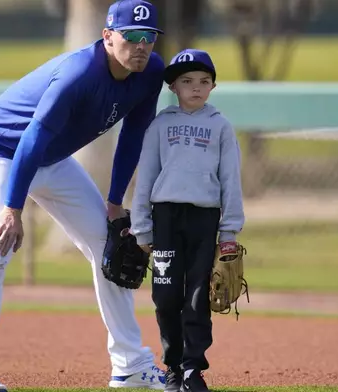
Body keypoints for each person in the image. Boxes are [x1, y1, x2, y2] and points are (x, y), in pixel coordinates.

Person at [0, 1, 168, 391]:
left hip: (51, 157)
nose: (141, 45)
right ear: (107, 36)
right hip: (0, 150)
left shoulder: (151, 71)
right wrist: (12, 208)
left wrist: (115, 203)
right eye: (131, 36)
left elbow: (134, 135)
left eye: (148, 37)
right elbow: (31, 138)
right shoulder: (79, 73)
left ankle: (131, 365)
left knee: (112, 246)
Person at [130, 49, 245, 392]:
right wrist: (141, 226)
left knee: (197, 296)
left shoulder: (220, 126)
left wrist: (230, 230)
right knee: (165, 297)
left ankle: (193, 368)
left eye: (204, 81)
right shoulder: (161, 124)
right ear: (173, 87)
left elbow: (231, 179)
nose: (196, 88)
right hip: (165, 217)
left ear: (212, 86)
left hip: (204, 217)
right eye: (187, 81)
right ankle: (172, 367)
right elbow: (146, 176)